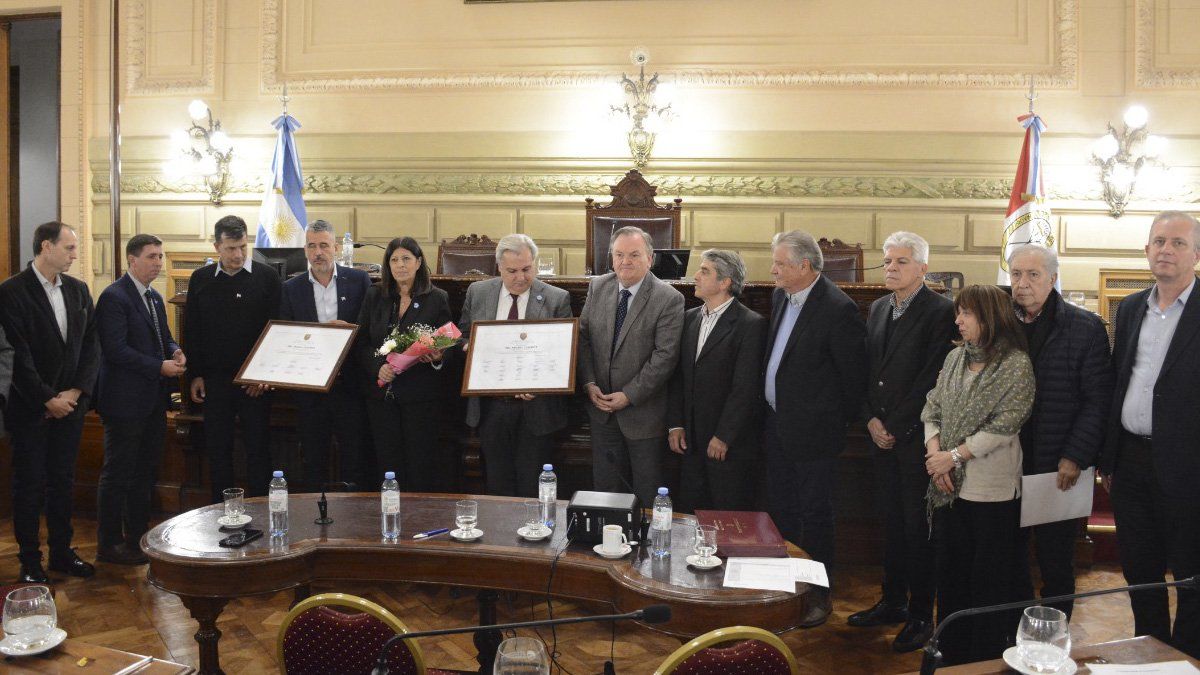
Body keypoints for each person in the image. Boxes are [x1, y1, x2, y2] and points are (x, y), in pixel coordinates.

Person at [848, 232, 956, 652]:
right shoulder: (876, 308)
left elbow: (931, 379)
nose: (891, 267)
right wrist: (872, 419)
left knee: (918, 531)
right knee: (890, 525)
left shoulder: (940, 311)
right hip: (880, 436)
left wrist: (896, 425)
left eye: (901, 262)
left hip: (914, 440)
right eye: (888, 261)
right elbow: (866, 369)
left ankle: (919, 616)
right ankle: (891, 602)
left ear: (923, 268)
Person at [1100, 210, 1200, 658]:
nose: (1166, 249)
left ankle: (1189, 658)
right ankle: (1154, 655)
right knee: (1140, 573)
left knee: (1191, 575)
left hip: (1190, 467)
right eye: (1159, 241)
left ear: (1196, 254)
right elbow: (1117, 382)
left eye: (1178, 243)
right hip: (1132, 462)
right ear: (1146, 250)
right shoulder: (1131, 307)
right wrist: (1108, 460)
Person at [922, 284, 1034, 665]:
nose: (958, 320)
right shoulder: (955, 357)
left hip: (991, 488)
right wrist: (936, 452)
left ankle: (984, 658)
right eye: (958, 312)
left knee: (987, 580)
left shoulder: (1015, 363)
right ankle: (950, 654)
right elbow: (932, 404)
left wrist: (954, 456)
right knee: (950, 573)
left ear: (989, 317)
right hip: (947, 484)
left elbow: (1008, 422)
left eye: (966, 313)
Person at [762, 230, 867, 627]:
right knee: (783, 510)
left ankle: (818, 595)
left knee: (815, 516)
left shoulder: (838, 309)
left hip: (815, 434)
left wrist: (827, 422)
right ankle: (787, 586)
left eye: (780, 264)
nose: (772, 270)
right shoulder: (780, 296)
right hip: (777, 426)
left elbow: (851, 379)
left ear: (805, 266)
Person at [1007, 243, 1114, 619]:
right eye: (1016, 274)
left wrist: (1076, 455)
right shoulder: (999, 324)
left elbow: (1097, 401)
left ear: (1052, 279)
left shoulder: (1084, 328)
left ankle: (1055, 632)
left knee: (1055, 561)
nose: (1022, 284)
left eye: (1033, 275)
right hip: (1005, 463)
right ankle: (1012, 632)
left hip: (1058, 466)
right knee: (1009, 556)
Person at [0, 221, 100, 582]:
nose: (75, 254)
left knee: (63, 481)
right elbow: (17, 355)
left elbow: (91, 346)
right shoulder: (11, 291)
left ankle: (61, 552)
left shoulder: (77, 290)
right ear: (46, 246)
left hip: (71, 408)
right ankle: (30, 561)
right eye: (69, 248)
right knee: (28, 485)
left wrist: (75, 392)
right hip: (31, 410)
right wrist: (47, 399)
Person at [94, 234, 186, 566]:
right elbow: (115, 350)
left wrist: (174, 350)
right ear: (133, 260)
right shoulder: (114, 297)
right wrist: (158, 366)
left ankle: (137, 537)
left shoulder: (155, 298)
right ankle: (108, 543)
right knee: (118, 472)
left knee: (145, 471)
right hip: (123, 401)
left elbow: (163, 336)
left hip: (151, 401)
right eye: (152, 256)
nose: (159, 263)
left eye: (161, 256)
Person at [577, 226, 683, 508]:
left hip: (643, 415)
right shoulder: (598, 286)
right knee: (606, 492)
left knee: (647, 493)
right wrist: (589, 384)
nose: (626, 261)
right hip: (601, 411)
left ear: (650, 258)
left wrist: (628, 395)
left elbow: (665, 357)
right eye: (619, 254)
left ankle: (646, 550)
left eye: (634, 255)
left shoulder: (669, 298)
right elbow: (583, 339)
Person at [459, 234, 572, 497]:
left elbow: (563, 351)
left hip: (535, 409)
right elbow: (462, 335)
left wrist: (539, 383)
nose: (520, 277)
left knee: (531, 486)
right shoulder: (478, 292)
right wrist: (469, 348)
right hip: (492, 407)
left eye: (526, 269)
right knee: (498, 484)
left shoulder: (556, 298)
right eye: (512, 271)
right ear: (498, 267)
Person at [185, 216, 281, 503]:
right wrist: (195, 375)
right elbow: (192, 330)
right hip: (215, 381)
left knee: (258, 450)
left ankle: (262, 511)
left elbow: (277, 330)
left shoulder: (267, 278)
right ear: (217, 247)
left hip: (255, 382)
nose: (238, 255)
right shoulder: (201, 279)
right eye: (230, 248)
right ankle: (220, 511)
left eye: (242, 246)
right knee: (218, 449)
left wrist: (263, 375)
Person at [666, 249, 765, 512]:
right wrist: (675, 424)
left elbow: (745, 388)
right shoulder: (689, 318)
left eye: (705, 271)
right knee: (689, 512)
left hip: (726, 445)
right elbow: (678, 377)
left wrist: (724, 435)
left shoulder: (750, 324)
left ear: (725, 282)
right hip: (690, 442)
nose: (695, 276)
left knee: (725, 515)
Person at [279, 220, 373, 490]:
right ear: (305, 250)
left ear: (335, 247)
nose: (318, 252)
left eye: (323, 245)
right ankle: (314, 518)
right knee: (313, 458)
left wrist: (351, 330)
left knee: (354, 458)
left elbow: (371, 328)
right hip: (311, 389)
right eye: (311, 246)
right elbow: (285, 335)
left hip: (350, 384)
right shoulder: (291, 288)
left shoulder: (358, 280)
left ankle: (354, 517)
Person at [357, 236, 455, 493]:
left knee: (419, 463)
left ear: (419, 262)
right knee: (387, 463)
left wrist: (438, 356)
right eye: (394, 260)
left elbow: (448, 343)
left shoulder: (437, 298)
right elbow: (362, 342)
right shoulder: (375, 295)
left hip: (420, 397)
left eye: (406, 259)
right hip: (381, 397)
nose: (400, 265)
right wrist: (378, 366)